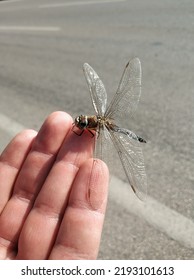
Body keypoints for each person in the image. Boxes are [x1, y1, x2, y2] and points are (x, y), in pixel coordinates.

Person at [0, 111, 109, 260]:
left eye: (81, 124)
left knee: (94, 170)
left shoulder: (91, 131)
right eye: (81, 122)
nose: (78, 124)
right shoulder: (88, 125)